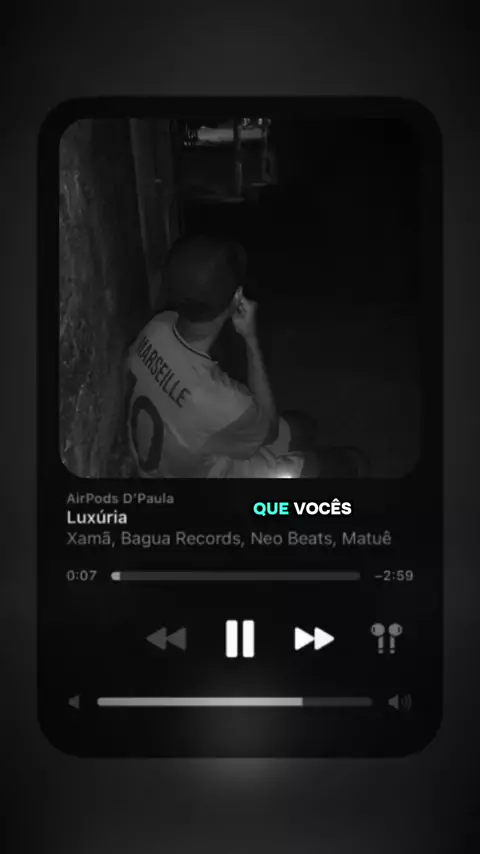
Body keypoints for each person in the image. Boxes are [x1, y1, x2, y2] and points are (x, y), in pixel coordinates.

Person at [124, 234, 366, 478]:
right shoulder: (219, 397)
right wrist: (250, 338)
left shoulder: (156, 327)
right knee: (346, 464)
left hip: (171, 456)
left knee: (301, 426)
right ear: (237, 297)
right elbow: (269, 430)